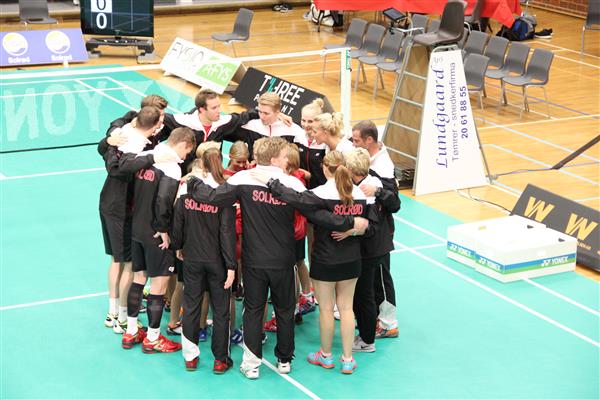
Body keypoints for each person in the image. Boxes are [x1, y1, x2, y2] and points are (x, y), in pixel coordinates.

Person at [185, 137, 367, 379]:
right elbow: (315, 212)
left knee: (252, 310)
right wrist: (349, 222)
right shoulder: (291, 183)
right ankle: (284, 359)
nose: (287, 159)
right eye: (283, 156)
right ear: (273, 159)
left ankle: (251, 364)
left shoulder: (242, 179)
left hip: (254, 261)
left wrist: (193, 182)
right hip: (284, 260)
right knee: (284, 310)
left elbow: (212, 197)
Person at [264, 150, 376, 375]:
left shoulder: (319, 193)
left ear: (325, 168)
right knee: (347, 308)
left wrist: (273, 184)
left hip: (325, 260)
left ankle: (325, 355)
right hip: (352, 260)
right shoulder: (359, 193)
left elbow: (295, 199)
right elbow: (370, 226)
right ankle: (348, 359)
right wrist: (352, 230)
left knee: (325, 309)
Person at [121, 127, 196, 353]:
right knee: (159, 284)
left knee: (138, 278)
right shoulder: (171, 167)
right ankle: (153, 338)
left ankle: (131, 331)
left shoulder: (147, 156)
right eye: (187, 152)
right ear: (183, 144)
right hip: (155, 234)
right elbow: (164, 199)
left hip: (137, 227)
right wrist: (163, 228)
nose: (185, 157)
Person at [99, 106, 173, 332]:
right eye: (161, 119)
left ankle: (112, 313)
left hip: (108, 203)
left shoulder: (123, 133)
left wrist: (109, 139)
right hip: (121, 209)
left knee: (117, 261)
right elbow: (119, 168)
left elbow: (103, 148)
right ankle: (122, 318)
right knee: (129, 264)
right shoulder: (137, 145)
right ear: (153, 125)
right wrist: (153, 157)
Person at [172, 148, 236, 373]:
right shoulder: (224, 193)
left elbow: (178, 223)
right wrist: (231, 265)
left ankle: (190, 357)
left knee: (191, 306)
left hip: (192, 258)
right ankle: (220, 360)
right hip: (217, 261)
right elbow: (227, 232)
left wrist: (178, 246)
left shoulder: (186, 191)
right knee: (221, 310)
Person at [351, 120, 401, 339]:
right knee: (370, 281)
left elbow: (395, 204)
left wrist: (378, 191)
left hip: (380, 235)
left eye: (356, 140)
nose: (353, 144)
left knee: (381, 279)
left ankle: (389, 324)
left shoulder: (384, 168)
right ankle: (374, 319)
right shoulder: (367, 157)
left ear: (369, 140)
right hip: (369, 235)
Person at [237, 92, 304, 159]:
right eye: (260, 112)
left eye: (266, 113)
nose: (262, 117)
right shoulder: (250, 124)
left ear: (277, 112)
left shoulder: (293, 130)